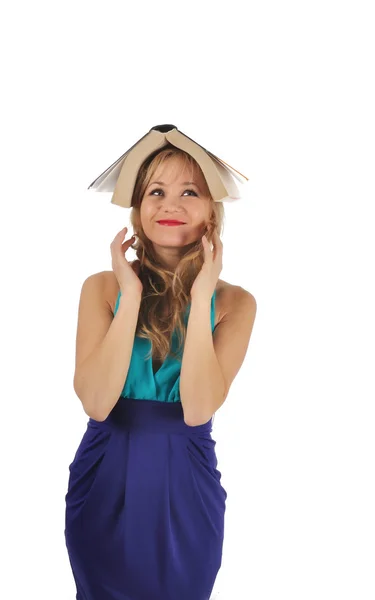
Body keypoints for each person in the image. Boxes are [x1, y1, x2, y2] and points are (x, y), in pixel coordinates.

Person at [64, 143, 257, 599]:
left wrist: (202, 294)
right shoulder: (104, 288)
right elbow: (95, 402)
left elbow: (197, 408)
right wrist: (129, 296)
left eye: (190, 191)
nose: (170, 204)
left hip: (186, 481)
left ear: (211, 208)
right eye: (156, 191)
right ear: (138, 209)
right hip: (105, 472)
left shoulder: (235, 304)